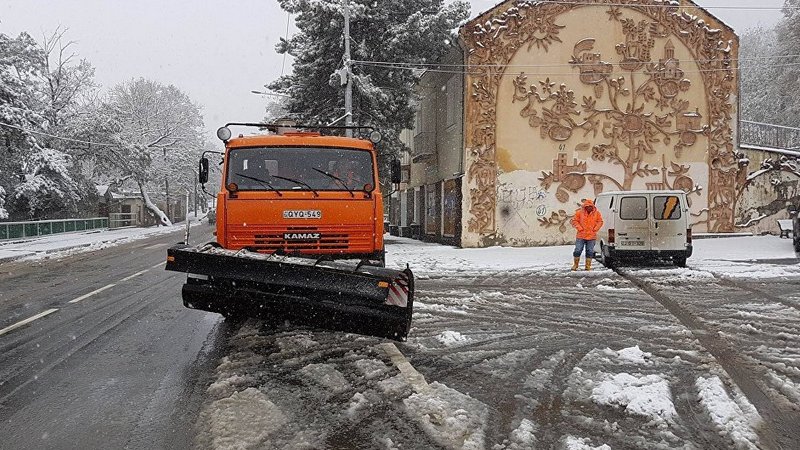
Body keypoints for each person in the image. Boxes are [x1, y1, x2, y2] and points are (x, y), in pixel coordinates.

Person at [570, 199, 604, 271]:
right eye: (587, 206)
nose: (589, 207)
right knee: (578, 250)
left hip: (591, 236)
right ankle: (575, 265)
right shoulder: (579, 213)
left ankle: (587, 266)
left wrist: (595, 229)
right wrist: (580, 228)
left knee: (590, 251)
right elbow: (574, 221)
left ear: (593, 206)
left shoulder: (597, 213)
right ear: (584, 207)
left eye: (590, 206)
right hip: (581, 236)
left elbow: (600, 221)